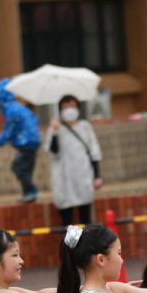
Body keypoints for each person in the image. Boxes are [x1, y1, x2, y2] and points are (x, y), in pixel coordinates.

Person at [46, 94, 103, 226]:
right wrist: (54, 132)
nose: (69, 110)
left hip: (83, 175)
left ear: (78, 108)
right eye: (65, 107)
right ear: (60, 110)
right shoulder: (55, 128)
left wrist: (97, 176)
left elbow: (94, 152)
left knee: (86, 218)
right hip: (64, 179)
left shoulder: (85, 126)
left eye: (72, 106)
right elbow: (53, 151)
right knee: (67, 222)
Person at [0, 78, 42, 203]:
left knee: (18, 167)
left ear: (1, 99)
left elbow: (7, 133)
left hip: (26, 142)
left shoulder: (11, 111)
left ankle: (31, 191)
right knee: (25, 168)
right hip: (32, 141)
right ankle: (29, 192)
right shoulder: (17, 107)